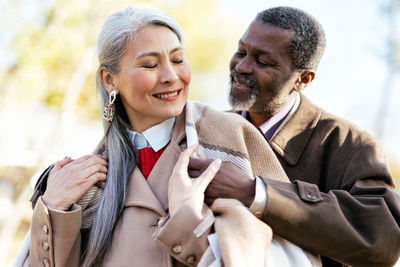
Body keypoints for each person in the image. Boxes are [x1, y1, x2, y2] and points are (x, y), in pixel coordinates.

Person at [22, 6, 319, 267]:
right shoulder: (88, 174)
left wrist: (189, 220)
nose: (171, 76)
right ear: (110, 79)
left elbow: (283, 255)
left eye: (177, 60)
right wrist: (53, 208)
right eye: (150, 64)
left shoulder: (231, 138)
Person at [189, 6, 400, 267]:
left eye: (263, 62)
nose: (242, 67)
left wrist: (255, 193)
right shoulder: (203, 128)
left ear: (303, 79)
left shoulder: (350, 145)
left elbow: (384, 242)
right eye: (241, 52)